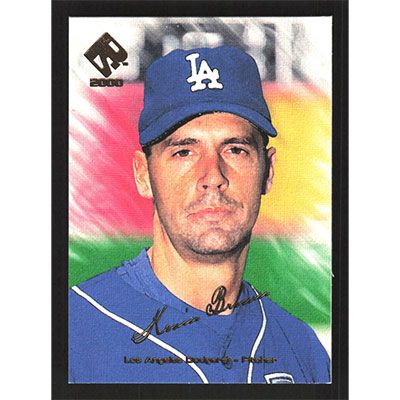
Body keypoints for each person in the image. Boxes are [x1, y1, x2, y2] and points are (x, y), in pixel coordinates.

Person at [69, 46, 331, 384]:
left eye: (235, 149)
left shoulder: (302, 350)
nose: (212, 176)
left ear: (268, 171)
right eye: (184, 152)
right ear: (143, 174)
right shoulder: (71, 331)